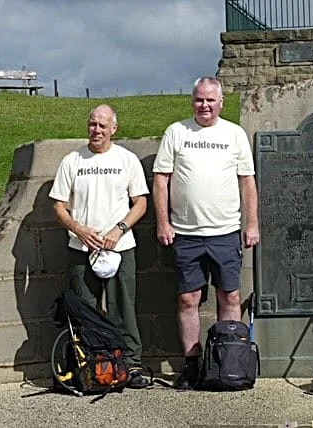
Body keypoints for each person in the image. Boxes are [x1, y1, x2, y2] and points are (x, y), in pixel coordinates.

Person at [152, 77, 260, 390]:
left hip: (226, 232)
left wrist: (251, 224)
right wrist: (163, 222)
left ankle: (231, 360)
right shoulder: (177, 131)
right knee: (188, 298)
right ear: (192, 101)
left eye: (211, 100)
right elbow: (161, 180)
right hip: (185, 232)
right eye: (199, 100)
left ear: (221, 103)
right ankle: (191, 363)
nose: (204, 106)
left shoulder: (234, 134)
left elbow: (247, 183)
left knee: (230, 296)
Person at [49, 104, 150, 388]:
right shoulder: (72, 161)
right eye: (92, 124)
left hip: (120, 247)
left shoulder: (127, 160)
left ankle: (130, 366)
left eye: (103, 126)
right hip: (82, 250)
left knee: (124, 309)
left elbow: (141, 202)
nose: (96, 130)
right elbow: (58, 206)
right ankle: (89, 366)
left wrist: (119, 230)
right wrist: (79, 230)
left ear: (114, 129)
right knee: (85, 310)